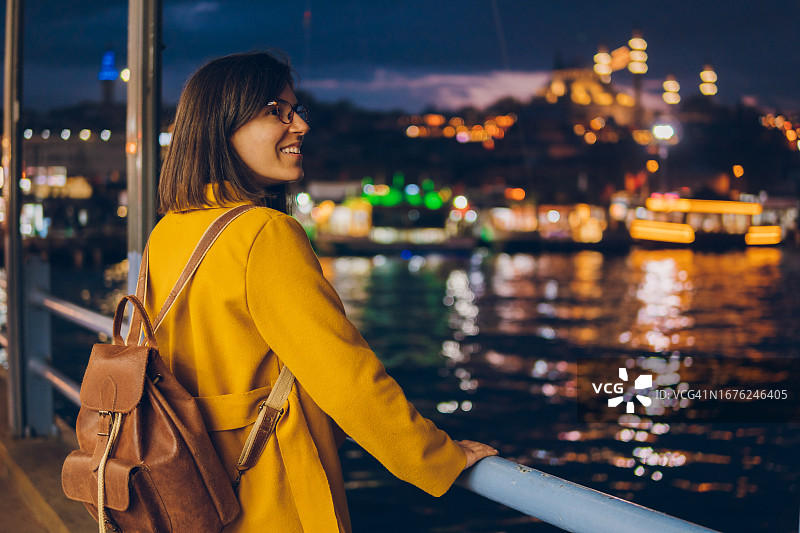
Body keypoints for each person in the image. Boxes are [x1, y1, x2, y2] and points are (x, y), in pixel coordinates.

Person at [146, 51, 497, 532]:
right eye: (276, 111)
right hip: (260, 492)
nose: (299, 126)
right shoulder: (264, 234)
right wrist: (439, 457)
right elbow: (348, 377)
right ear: (220, 125)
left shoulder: (169, 230)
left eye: (296, 110)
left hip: (185, 483)